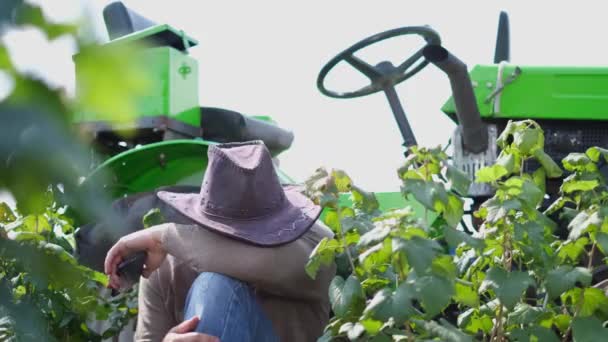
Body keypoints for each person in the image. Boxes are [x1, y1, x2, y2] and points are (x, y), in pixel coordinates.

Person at [104, 141, 336, 342]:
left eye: (261, 229)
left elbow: (258, 262)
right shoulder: (165, 264)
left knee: (215, 287)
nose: (247, 238)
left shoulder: (314, 241)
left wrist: (162, 235)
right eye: (233, 229)